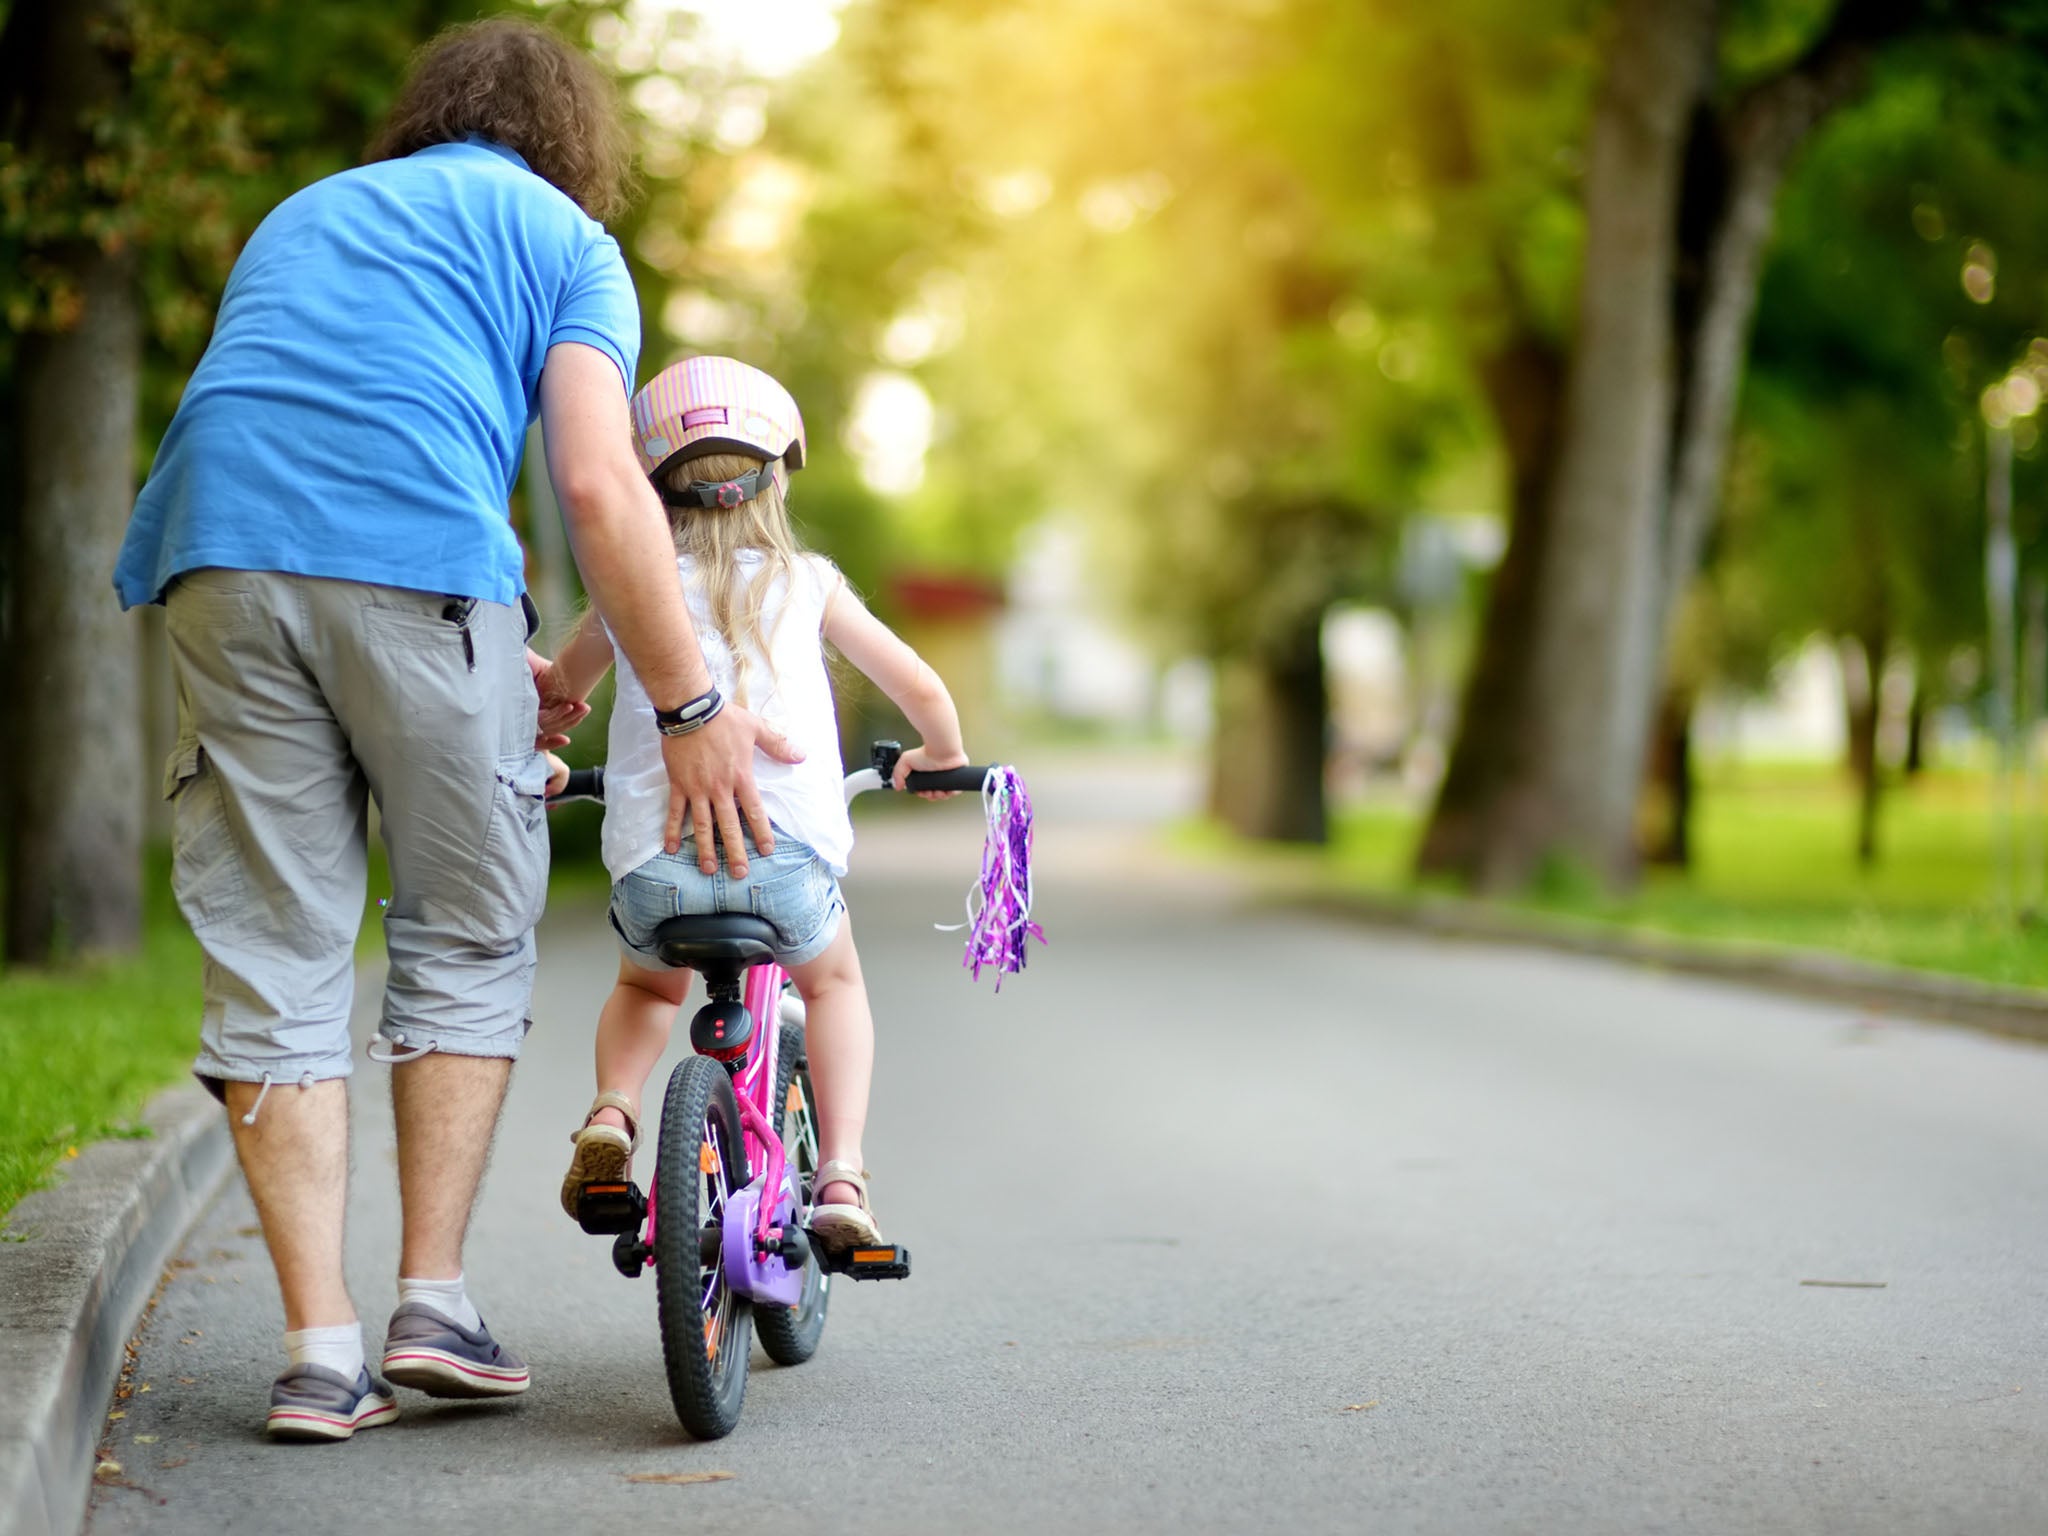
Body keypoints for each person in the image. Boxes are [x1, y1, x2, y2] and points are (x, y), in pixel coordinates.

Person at [111, 21, 799, 1442]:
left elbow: (309, 417)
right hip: (423, 567)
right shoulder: (565, 239)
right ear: (572, 144)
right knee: (466, 930)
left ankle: (317, 1353)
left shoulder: (305, 213)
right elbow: (608, 491)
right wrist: (692, 705)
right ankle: (433, 1303)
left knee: (276, 950)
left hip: (215, 561)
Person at [539, 355, 968, 1251]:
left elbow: (558, 698)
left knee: (646, 985)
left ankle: (613, 1114)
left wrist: (541, 755)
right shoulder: (808, 583)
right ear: (778, 474)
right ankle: (843, 1174)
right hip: (787, 873)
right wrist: (941, 755)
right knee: (837, 982)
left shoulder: (628, 595)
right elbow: (922, 685)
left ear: (647, 482)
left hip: (656, 874)